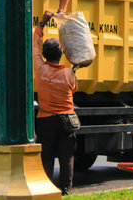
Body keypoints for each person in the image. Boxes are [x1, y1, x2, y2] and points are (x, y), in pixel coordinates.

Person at [33, 10, 78, 195]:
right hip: (67, 121)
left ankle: (47, 191)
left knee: (46, 157)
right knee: (67, 159)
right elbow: (73, 89)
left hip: (46, 121)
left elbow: (34, 45)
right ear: (61, 55)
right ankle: (66, 192)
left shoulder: (40, 69)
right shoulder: (69, 74)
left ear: (44, 55)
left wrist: (42, 23)